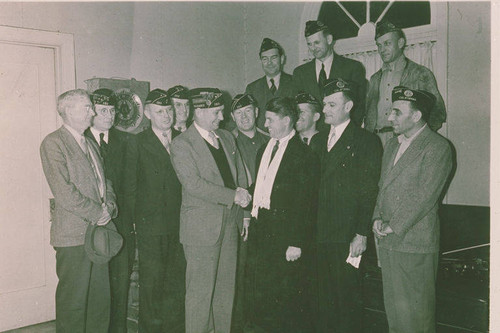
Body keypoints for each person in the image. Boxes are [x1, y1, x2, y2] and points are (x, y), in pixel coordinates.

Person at [170, 87, 251, 333]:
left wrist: (245, 213)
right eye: (217, 111)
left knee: (225, 290)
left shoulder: (226, 137)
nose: (222, 116)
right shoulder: (182, 144)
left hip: (230, 222)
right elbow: (193, 184)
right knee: (200, 294)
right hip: (201, 228)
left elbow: (239, 176)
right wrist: (233, 196)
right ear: (200, 112)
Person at [372, 86, 452, 333]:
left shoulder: (437, 147)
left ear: (417, 116)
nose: (390, 117)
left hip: (414, 243)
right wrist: (376, 217)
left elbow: (424, 198)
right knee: (395, 315)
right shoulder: (392, 146)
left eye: (397, 112)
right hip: (388, 243)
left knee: (417, 319)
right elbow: (382, 187)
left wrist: (392, 225)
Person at [40, 89, 117, 332]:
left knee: (99, 302)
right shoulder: (53, 143)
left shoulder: (90, 144)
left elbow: (106, 182)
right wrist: (97, 212)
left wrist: (111, 206)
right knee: (73, 304)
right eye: (87, 107)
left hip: (98, 235)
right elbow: (64, 191)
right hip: (73, 237)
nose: (92, 112)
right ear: (67, 110)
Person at [310, 78, 382, 332]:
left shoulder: (366, 141)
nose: (325, 109)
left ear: (349, 106)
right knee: (323, 300)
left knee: (347, 300)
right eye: (324, 104)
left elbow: (368, 192)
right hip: (320, 234)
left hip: (347, 235)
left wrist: (361, 233)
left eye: (332, 104)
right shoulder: (317, 141)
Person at [246, 96, 320, 332]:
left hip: (286, 237)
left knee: (286, 299)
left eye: (269, 119)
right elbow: (262, 186)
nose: (265, 125)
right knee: (262, 295)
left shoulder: (304, 156)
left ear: (287, 120)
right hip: (262, 232)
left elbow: (306, 203)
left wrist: (296, 242)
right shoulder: (264, 151)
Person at [125, 88, 185, 332]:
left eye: (169, 110)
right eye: (160, 112)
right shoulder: (138, 143)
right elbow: (130, 187)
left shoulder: (184, 140)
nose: (166, 116)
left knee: (176, 283)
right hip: (151, 226)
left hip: (181, 225)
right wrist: (135, 222)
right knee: (151, 285)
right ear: (148, 113)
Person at [84, 88, 135, 333]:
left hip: (121, 224)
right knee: (93, 287)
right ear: (91, 112)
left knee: (120, 283)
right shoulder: (80, 139)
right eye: (103, 110)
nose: (109, 116)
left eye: (113, 111)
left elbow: (132, 185)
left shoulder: (127, 141)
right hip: (89, 224)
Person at [365, 20, 446, 146]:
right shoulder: (374, 79)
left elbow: (438, 113)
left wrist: (415, 140)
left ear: (401, 43)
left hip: (405, 143)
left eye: (387, 43)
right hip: (374, 143)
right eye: (379, 45)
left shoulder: (420, 74)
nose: (382, 50)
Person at [229, 93, 269, 332]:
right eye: (238, 113)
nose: (244, 117)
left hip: (266, 216)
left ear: (256, 112)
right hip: (242, 217)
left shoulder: (269, 139)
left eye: (248, 111)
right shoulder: (228, 142)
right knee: (241, 272)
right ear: (232, 117)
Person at [293, 20, 367, 126]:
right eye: (309, 44)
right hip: (311, 137)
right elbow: (298, 109)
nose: (313, 48)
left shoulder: (352, 68)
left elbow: (359, 106)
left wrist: (347, 134)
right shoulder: (300, 73)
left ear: (329, 39)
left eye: (317, 43)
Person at [246, 38, 295, 132]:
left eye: (273, 58)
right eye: (265, 59)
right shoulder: (252, 88)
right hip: (262, 140)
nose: (269, 63)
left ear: (282, 59)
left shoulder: (294, 82)